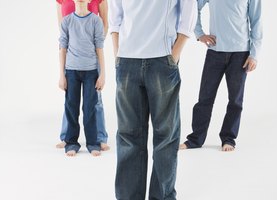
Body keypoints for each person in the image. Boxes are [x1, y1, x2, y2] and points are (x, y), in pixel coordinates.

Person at [109, 0, 197, 199]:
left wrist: (173, 56)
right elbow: (115, 17)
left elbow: (188, 13)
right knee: (129, 137)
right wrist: (118, 56)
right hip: (127, 61)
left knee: (164, 138)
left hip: (162, 59)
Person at [180, 0, 263, 151]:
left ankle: (228, 138)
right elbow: (193, 8)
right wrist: (200, 34)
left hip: (240, 54)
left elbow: (256, 21)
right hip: (215, 52)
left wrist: (254, 54)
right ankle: (195, 139)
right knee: (204, 99)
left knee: (235, 100)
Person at [56, 0, 110, 151]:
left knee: (92, 105)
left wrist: (90, 44)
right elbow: (63, 40)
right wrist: (62, 74)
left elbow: (104, 26)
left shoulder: (95, 20)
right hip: (72, 65)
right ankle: (69, 140)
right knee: (71, 105)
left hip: (91, 64)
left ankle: (97, 140)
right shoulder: (67, 20)